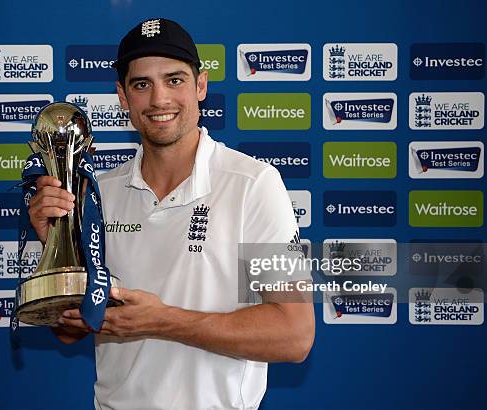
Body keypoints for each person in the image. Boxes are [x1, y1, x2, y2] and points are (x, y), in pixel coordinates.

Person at [28, 18, 315, 410]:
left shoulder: (253, 184)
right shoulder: (97, 194)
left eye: (175, 80)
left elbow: (294, 335)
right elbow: (69, 332)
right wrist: (56, 250)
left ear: (201, 86)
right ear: (123, 97)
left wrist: (164, 321)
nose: (159, 99)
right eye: (141, 84)